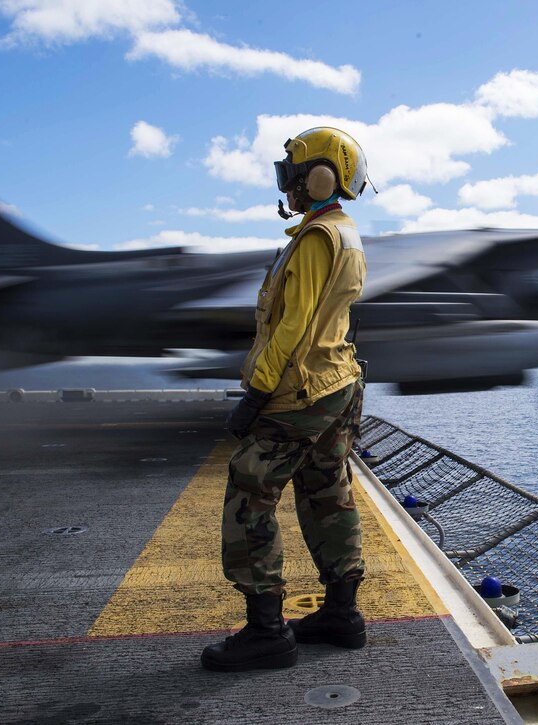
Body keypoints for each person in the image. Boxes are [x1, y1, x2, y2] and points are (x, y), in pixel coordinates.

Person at [201, 127, 370, 672]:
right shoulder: (344, 233)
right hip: (336, 383)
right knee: (327, 489)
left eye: (292, 176)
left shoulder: (319, 238)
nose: (288, 187)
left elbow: (292, 328)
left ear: (321, 177)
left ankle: (266, 632)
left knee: (250, 493)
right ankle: (341, 614)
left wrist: (255, 394)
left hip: (299, 391)